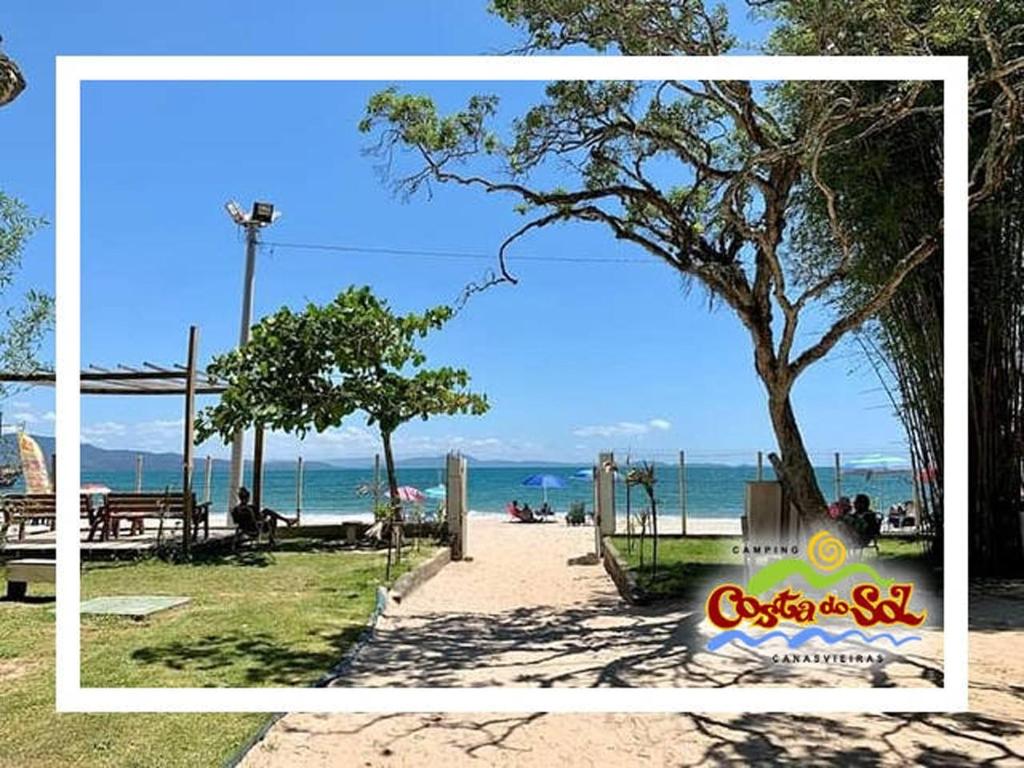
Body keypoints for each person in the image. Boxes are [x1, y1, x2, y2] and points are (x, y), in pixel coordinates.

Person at [231, 486, 298, 544]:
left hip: (244, 529)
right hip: (256, 529)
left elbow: (236, 521)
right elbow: (258, 518)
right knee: (272, 517)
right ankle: (273, 538)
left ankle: (287, 521)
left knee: (266, 511)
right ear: (247, 498)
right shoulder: (251, 508)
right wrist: (263, 518)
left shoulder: (236, 509)